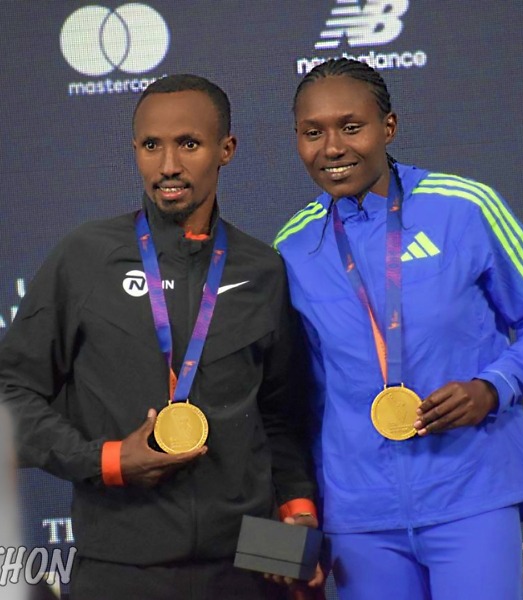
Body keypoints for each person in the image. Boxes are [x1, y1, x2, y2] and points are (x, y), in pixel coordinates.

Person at [0, 74, 319, 600]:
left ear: (226, 150)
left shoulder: (262, 269)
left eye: (188, 144)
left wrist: (298, 517)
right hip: (119, 564)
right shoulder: (87, 257)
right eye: (152, 146)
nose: (168, 165)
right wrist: (105, 460)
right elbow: (10, 392)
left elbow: (281, 417)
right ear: (135, 151)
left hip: (248, 563)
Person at [274, 58, 523, 600]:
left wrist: (494, 387)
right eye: (312, 132)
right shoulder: (292, 247)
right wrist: (299, 521)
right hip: (358, 515)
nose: (332, 147)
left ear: (388, 127)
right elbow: (295, 401)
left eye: (351, 126)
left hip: (470, 491)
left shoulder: (465, 206)